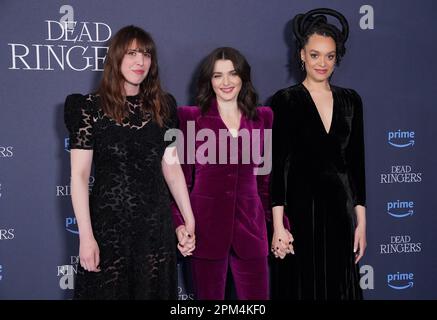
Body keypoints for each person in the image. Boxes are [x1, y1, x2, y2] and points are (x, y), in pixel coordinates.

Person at [64, 25, 195, 300]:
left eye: (146, 54)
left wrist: (189, 218)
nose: (140, 61)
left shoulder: (166, 108)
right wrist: (86, 237)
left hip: (155, 231)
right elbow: (79, 175)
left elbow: (171, 168)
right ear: (116, 58)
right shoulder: (88, 108)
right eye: (132, 53)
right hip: (109, 230)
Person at [269, 8, 366, 300]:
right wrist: (278, 226)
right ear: (301, 55)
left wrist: (361, 222)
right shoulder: (285, 100)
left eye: (329, 56)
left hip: (340, 210)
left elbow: (356, 165)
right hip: (300, 213)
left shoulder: (351, 100)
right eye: (314, 55)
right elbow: (279, 166)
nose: (322, 63)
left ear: (337, 58)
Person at [172, 47, 272, 300]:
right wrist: (180, 224)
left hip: (251, 229)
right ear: (209, 80)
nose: (226, 82)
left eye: (233, 74)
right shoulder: (190, 118)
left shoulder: (263, 118)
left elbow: (265, 180)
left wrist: (279, 226)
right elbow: (180, 180)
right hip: (204, 229)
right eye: (218, 75)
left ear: (243, 78)